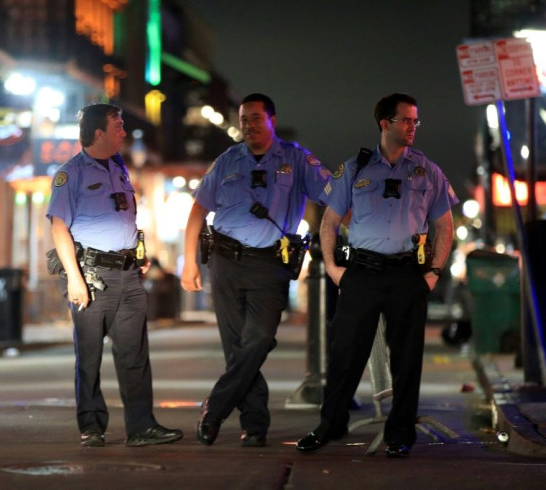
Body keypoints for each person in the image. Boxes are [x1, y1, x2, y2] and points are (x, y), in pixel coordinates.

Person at [296, 93, 458, 458]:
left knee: (406, 359)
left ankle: (399, 434)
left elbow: (444, 227)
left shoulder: (427, 171)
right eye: (406, 120)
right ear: (385, 123)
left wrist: (433, 272)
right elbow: (330, 223)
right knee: (345, 356)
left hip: (407, 274)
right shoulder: (355, 169)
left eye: (416, 121)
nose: (413, 127)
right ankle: (328, 426)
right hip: (362, 274)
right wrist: (335, 270)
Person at [181, 93, 330, 447]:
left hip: (269, 264)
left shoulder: (296, 159)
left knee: (259, 339)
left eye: (255, 118)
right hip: (226, 260)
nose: (248, 125)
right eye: (244, 119)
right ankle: (255, 425)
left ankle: (215, 407)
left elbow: (334, 198)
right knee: (237, 347)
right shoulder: (227, 160)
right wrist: (190, 261)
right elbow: (198, 211)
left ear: (272, 121)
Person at [46, 103, 183, 448]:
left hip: (128, 274)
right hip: (91, 276)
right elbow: (59, 227)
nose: (124, 132)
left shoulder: (119, 166)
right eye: (118, 126)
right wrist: (75, 279)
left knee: (134, 354)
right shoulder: (70, 173)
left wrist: (139, 252)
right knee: (89, 355)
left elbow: (124, 215)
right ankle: (91, 425)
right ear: (98, 133)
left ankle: (141, 427)